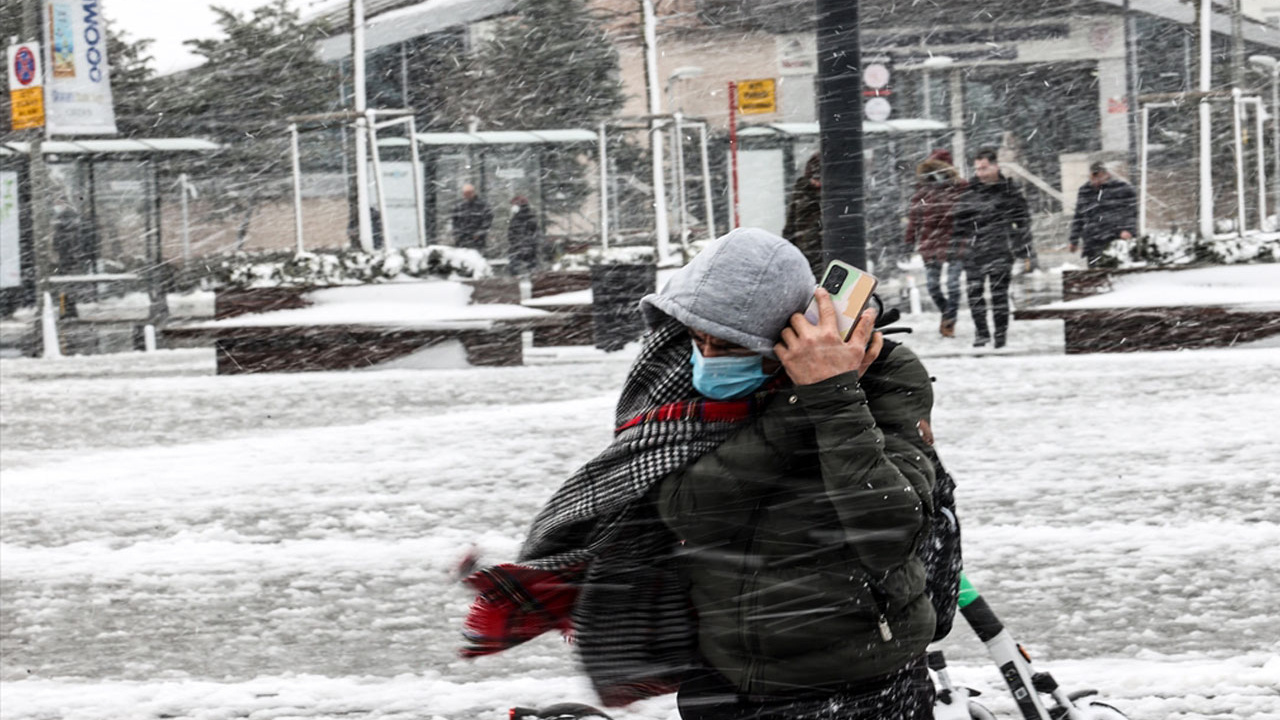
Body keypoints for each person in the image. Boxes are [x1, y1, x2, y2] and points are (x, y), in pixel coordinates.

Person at [461, 228, 938, 719]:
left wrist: (833, 393)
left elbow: (887, 528)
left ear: (790, 336)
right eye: (699, 339)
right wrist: (799, 402)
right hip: (725, 679)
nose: (707, 359)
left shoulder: (884, 376)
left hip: (864, 682)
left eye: (730, 347)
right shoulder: (679, 385)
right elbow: (690, 511)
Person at [952, 147, 1033, 349]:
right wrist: (955, 249)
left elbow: (1022, 222)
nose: (981, 173)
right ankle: (981, 333)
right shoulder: (970, 192)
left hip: (1000, 249)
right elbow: (959, 223)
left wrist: (1024, 250)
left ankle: (1000, 335)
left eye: (985, 168)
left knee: (999, 296)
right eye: (978, 169)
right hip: (974, 251)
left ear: (996, 166)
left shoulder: (1009, 191)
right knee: (974, 294)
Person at [904, 148, 967, 338]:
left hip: (956, 242)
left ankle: (949, 322)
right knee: (933, 286)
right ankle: (947, 312)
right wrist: (908, 242)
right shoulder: (923, 191)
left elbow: (970, 214)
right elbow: (915, 219)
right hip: (930, 243)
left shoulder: (961, 188)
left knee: (953, 285)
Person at [1069, 161, 1137, 267]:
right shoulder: (1085, 191)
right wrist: (1074, 239)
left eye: (1099, 177)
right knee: (1095, 273)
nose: (1096, 181)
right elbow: (1079, 216)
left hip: (1114, 237)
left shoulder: (1121, 188)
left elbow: (1131, 212)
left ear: (1106, 174)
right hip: (1092, 240)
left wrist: (1128, 230)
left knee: (1115, 268)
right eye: (1093, 177)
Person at [781, 153, 824, 277]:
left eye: (819, 179)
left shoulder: (832, 196)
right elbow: (791, 226)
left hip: (822, 256)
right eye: (814, 179)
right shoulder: (802, 190)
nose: (817, 184)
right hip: (805, 256)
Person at [451, 183, 493, 253]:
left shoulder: (482, 205)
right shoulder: (459, 206)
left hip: (477, 241)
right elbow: (454, 222)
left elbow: (487, 221)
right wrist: (457, 234)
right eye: (465, 193)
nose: (466, 195)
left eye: (469, 193)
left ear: (473, 193)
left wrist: (479, 234)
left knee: (476, 259)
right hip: (462, 240)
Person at [506, 196, 541, 276]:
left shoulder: (524, 218)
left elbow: (532, 233)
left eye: (514, 205)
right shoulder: (518, 217)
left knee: (517, 269)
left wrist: (521, 244)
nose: (512, 207)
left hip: (523, 248)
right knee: (531, 270)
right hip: (521, 248)